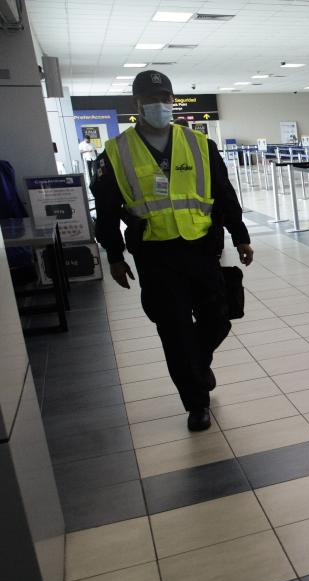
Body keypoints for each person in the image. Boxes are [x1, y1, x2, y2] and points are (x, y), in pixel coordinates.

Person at [93, 71, 253, 432]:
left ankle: (195, 365)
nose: (160, 105)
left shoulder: (199, 144)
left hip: (202, 250)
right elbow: (105, 211)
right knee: (175, 330)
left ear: (173, 100)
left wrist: (240, 235)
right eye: (152, 99)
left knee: (219, 319)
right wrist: (115, 256)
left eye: (165, 98)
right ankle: (196, 403)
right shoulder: (116, 152)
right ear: (137, 104)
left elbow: (224, 194)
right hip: (155, 256)